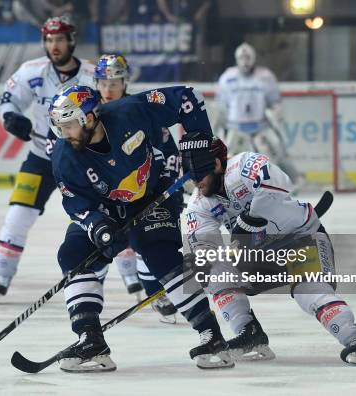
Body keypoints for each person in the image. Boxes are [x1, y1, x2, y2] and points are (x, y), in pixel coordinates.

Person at [47, 85, 234, 372]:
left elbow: (186, 97)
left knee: (160, 255)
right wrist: (97, 226)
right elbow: (76, 203)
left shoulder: (129, 111)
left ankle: (212, 335)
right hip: (105, 207)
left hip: (153, 192)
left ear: (90, 117)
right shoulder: (64, 155)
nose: (65, 133)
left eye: (70, 125)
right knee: (72, 254)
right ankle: (90, 339)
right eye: (61, 127)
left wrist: (200, 140)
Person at [179, 134, 356, 365]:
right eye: (189, 171)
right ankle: (249, 333)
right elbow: (203, 244)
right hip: (260, 255)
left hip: (301, 239)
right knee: (213, 270)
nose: (195, 180)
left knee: (309, 290)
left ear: (217, 164)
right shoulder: (199, 204)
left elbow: (276, 189)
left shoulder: (244, 164)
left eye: (198, 171)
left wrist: (249, 220)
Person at [0, 16, 95, 301]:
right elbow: (7, 103)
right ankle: (2, 275)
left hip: (84, 160)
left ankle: (135, 280)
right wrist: (11, 118)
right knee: (17, 215)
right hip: (41, 158)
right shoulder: (30, 70)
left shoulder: (92, 73)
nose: (54, 45)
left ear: (71, 41)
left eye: (60, 39)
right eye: (49, 40)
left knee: (106, 216)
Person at [94, 54, 179, 323]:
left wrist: (169, 188)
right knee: (97, 246)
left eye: (114, 82)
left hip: (146, 190)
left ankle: (155, 291)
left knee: (151, 240)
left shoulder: (143, 109)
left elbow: (169, 151)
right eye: (103, 83)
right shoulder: (89, 112)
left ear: (125, 81)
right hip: (107, 193)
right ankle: (86, 303)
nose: (108, 89)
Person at [216, 43, 303, 185]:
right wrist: (221, 126)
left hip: (260, 126)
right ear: (237, 58)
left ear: (253, 57)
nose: (245, 60)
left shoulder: (265, 76)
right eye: (242, 57)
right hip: (235, 128)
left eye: (247, 57)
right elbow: (221, 106)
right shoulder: (227, 77)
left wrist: (276, 115)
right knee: (226, 159)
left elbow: (275, 102)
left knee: (277, 153)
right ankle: (223, 186)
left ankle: (291, 181)